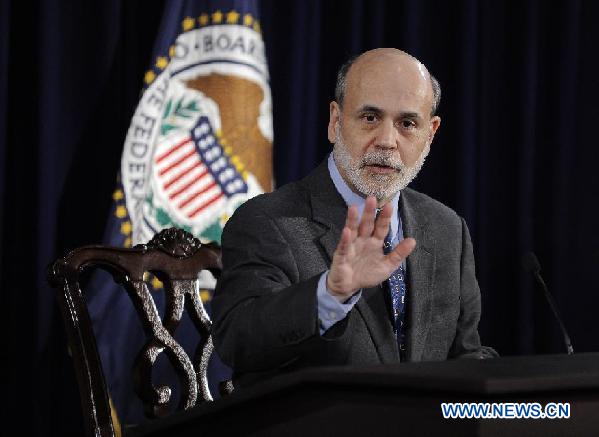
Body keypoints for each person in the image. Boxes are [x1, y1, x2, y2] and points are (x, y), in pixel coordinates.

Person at [212, 48, 497, 388]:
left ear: (430, 135)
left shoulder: (446, 228)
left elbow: (464, 355)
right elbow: (238, 341)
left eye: (407, 124)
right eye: (370, 118)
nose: (387, 141)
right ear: (335, 122)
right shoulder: (269, 221)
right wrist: (330, 296)